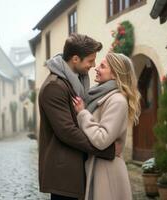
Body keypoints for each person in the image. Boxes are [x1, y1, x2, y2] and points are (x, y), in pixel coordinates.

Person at [38, 34, 118, 200]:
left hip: (76, 167)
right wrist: (105, 149)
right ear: (75, 59)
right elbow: (67, 131)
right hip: (64, 172)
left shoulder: (75, 82)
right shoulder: (55, 86)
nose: (93, 65)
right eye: (90, 60)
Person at [72, 52, 141, 200]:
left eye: (102, 66)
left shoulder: (117, 100)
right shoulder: (99, 95)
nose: (96, 68)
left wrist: (82, 113)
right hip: (97, 166)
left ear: (115, 75)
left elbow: (102, 139)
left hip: (107, 173)